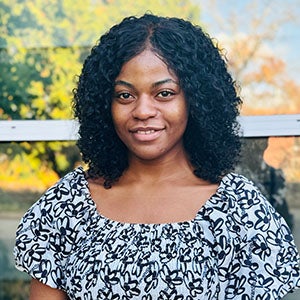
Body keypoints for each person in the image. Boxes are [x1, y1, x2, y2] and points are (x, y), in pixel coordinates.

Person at [14, 14, 300, 299]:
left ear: (195, 100)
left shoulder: (240, 209)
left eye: (164, 93)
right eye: (125, 95)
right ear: (104, 104)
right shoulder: (66, 206)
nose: (143, 111)